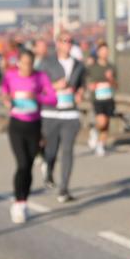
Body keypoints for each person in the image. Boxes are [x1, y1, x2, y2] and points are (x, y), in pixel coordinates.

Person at [1, 47, 56, 223]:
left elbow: (53, 98)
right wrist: (6, 99)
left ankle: (24, 201)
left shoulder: (40, 77)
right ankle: (18, 202)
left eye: (30, 64)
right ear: (18, 63)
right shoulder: (10, 75)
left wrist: (37, 97)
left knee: (29, 166)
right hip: (16, 125)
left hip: (34, 126)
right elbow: (4, 90)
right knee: (22, 163)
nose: (27, 67)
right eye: (24, 63)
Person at [38, 33, 85, 202]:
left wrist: (79, 93)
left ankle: (64, 189)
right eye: (64, 41)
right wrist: (55, 86)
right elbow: (38, 87)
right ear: (57, 43)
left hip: (70, 113)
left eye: (71, 41)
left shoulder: (78, 65)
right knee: (51, 150)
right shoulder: (46, 63)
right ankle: (48, 168)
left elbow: (81, 85)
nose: (68, 44)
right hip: (50, 113)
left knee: (67, 151)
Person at [84, 41, 116, 157]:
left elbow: (116, 85)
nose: (104, 53)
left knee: (106, 123)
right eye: (102, 51)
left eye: (106, 51)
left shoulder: (111, 67)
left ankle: (101, 145)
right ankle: (94, 131)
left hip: (109, 97)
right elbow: (84, 79)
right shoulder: (92, 66)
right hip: (97, 98)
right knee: (101, 122)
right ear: (97, 52)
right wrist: (90, 86)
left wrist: (111, 79)